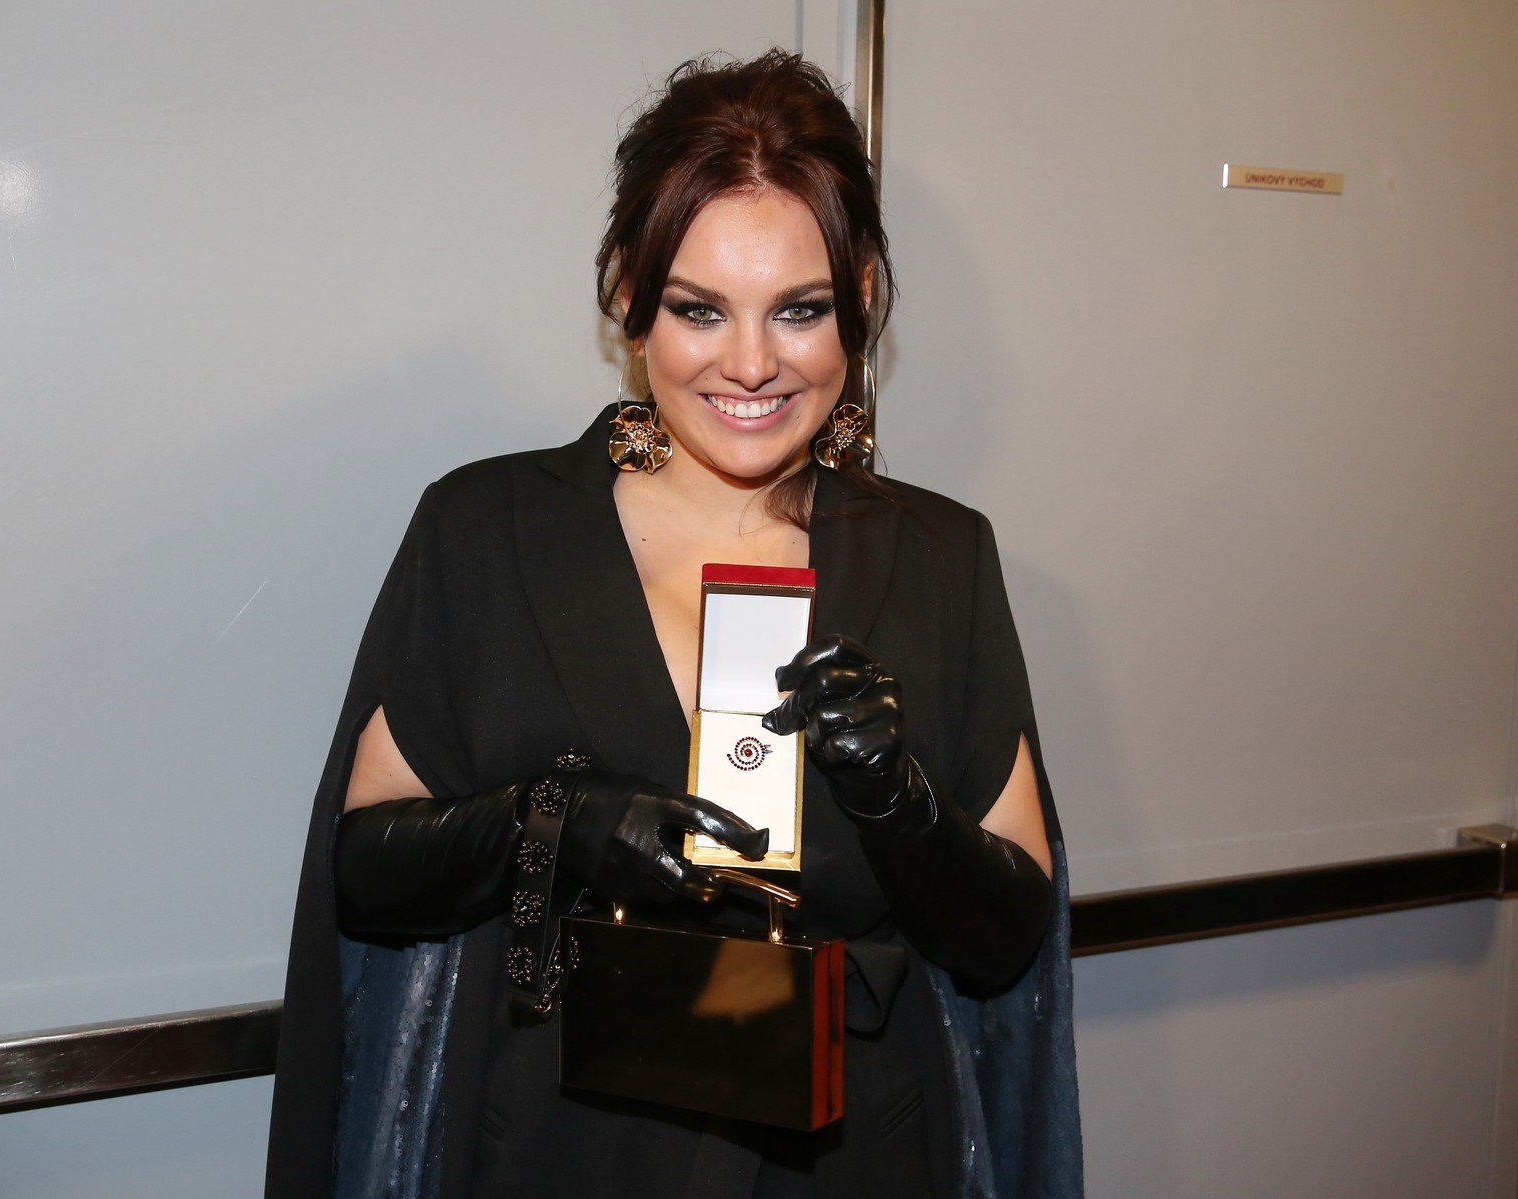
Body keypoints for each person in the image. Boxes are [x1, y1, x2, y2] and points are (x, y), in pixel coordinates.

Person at [266, 50, 1081, 1199]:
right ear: (628, 295)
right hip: (558, 1152)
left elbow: (1008, 941)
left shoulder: (941, 557)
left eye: (799, 309)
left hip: (853, 1156)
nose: (751, 363)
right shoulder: (490, 529)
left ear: (858, 296)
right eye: (701, 309)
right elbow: (362, 873)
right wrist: (553, 822)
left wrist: (899, 799)